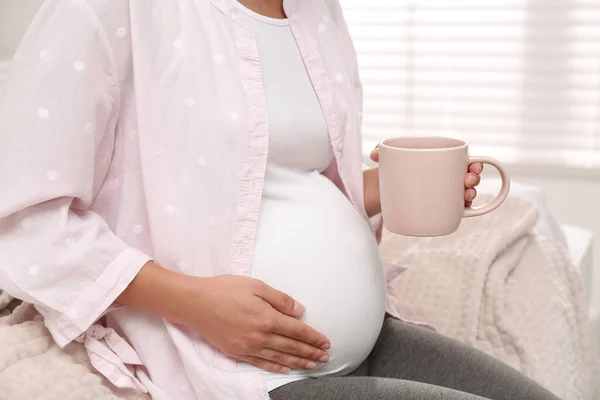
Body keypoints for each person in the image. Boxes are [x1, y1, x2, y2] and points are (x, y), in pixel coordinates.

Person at [0, 0, 560, 399]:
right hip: (238, 369)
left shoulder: (317, 12)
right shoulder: (109, 9)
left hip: (360, 343)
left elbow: (281, 182)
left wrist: (405, 189)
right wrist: (193, 302)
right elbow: (24, 216)